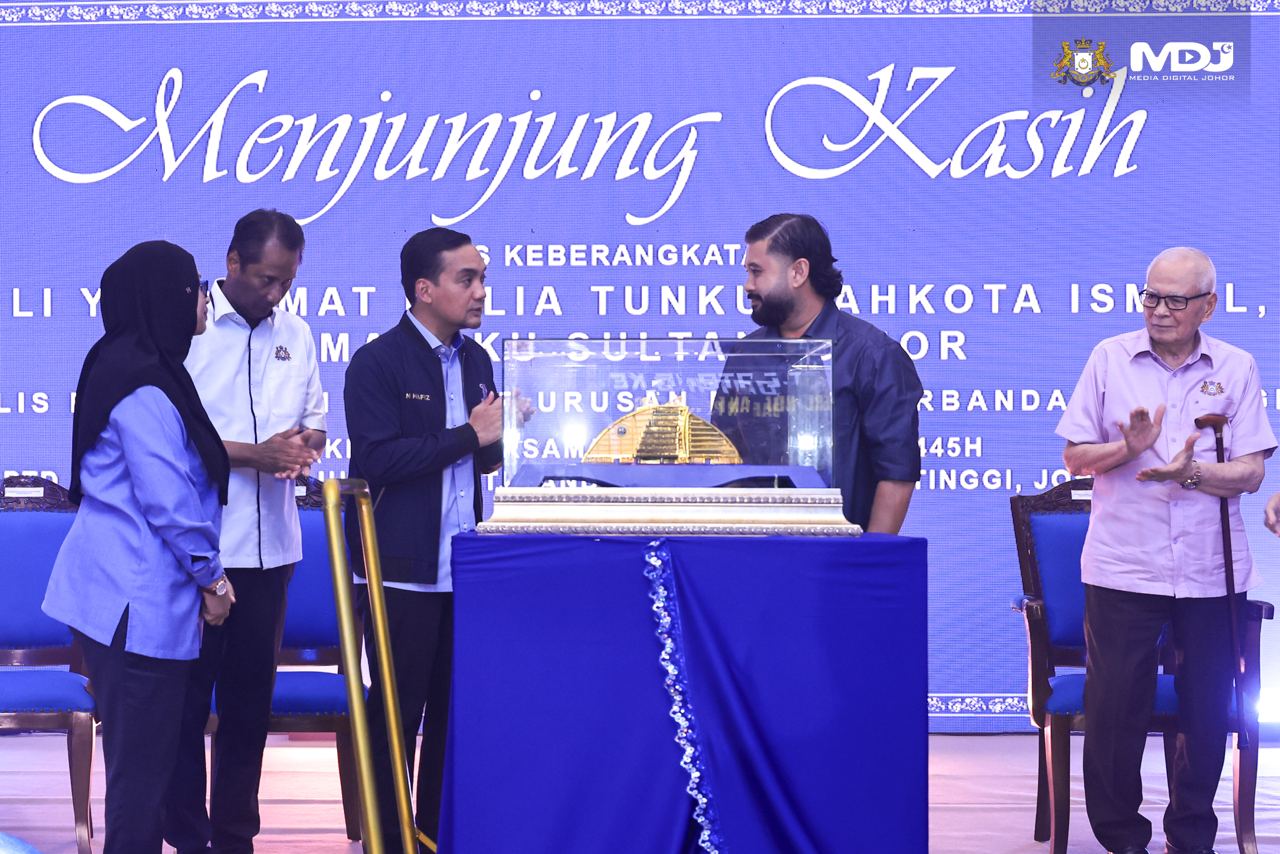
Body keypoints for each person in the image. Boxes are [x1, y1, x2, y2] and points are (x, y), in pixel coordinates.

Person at [1057, 247, 1276, 854]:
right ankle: (1122, 838)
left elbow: (1252, 471)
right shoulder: (1109, 358)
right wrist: (1128, 450)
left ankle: (1191, 833)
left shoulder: (1236, 367)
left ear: (1208, 305)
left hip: (1211, 568)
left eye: (1176, 300)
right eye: (1151, 296)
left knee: (1206, 709)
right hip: (1123, 566)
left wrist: (1191, 475)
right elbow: (1075, 457)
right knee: (1114, 711)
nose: (1159, 310)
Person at [42, 241, 233, 854]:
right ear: (164, 297)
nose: (203, 300)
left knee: (145, 775)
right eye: (194, 288)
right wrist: (213, 579)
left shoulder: (131, 363)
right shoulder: (145, 387)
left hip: (123, 598)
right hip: (135, 605)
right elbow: (169, 501)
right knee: (141, 784)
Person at [164, 210, 325, 854]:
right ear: (232, 263)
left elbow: (315, 421)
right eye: (266, 279)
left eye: (287, 281)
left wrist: (302, 447)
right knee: (185, 706)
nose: (276, 293)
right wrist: (256, 455)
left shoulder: (298, 333)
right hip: (200, 551)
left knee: (249, 707)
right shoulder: (187, 328)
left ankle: (235, 837)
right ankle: (187, 836)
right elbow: (172, 440)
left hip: (274, 550)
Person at [344, 227, 502, 851]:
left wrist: (502, 436)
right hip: (398, 573)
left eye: (482, 278)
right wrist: (470, 434)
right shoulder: (378, 362)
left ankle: (437, 835)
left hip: (464, 571)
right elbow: (380, 460)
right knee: (394, 718)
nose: (480, 291)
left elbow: (483, 461)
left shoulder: (477, 360)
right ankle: (388, 841)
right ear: (424, 289)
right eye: (467, 279)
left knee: (453, 719)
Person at [714, 212, 923, 533]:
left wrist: (867, 557)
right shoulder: (746, 354)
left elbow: (896, 475)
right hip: (752, 549)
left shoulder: (873, 355)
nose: (748, 285)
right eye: (747, 273)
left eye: (757, 272)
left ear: (798, 272)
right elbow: (724, 459)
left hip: (838, 553)